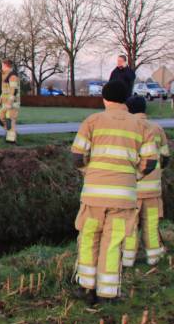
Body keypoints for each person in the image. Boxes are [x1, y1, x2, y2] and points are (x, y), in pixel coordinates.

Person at [70, 81, 158, 304]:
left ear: (104, 98)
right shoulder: (141, 126)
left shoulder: (92, 121)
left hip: (93, 196)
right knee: (113, 242)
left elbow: (77, 156)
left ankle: (86, 287)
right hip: (124, 197)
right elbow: (150, 163)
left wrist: (90, 173)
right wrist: (131, 178)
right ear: (127, 99)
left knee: (89, 238)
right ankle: (108, 293)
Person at [123, 95, 170, 267]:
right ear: (145, 109)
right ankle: (153, 259)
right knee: (151, 225)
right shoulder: (157, 128)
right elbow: (165, 157)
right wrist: (157, 174)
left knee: (130, 226)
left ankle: (127, 261)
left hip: (131, 190)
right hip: (153, 190)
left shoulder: (126, 128)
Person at [0, 58, 20, 143]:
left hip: (12, 103)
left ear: (6, 65)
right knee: (0, 118)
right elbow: (5, 90)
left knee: (10, 120)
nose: (1, 67)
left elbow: (14, 90)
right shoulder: (5, 75)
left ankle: (11, 140)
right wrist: (0, 98)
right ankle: (11, 132)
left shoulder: (12, 76)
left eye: (2, 65)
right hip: (5, 102)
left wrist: (10, 102)